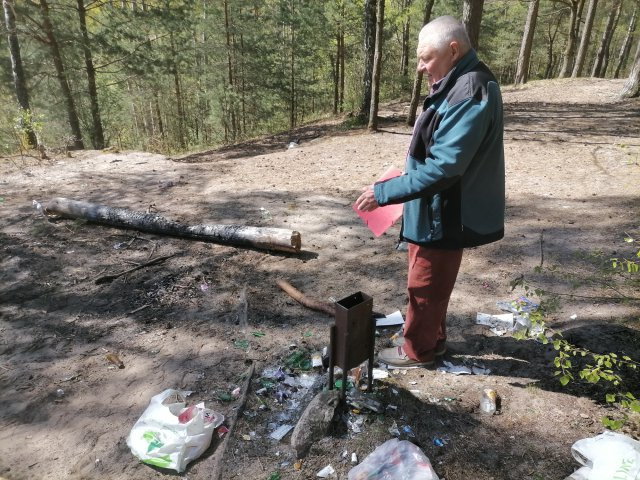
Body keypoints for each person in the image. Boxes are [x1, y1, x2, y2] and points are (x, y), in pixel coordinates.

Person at [354, 15, 505, 368]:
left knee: (425, 287)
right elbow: (438, 147)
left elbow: (445, 168)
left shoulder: (470, 91)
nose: (421, 68)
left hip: (445, 211)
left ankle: (417, 351)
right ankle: (432, 338)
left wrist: (385, 192)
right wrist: (406, 169)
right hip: (432, 206)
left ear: (453, 50)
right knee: (428, 284)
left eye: (427, 58)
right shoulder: (455, 81)